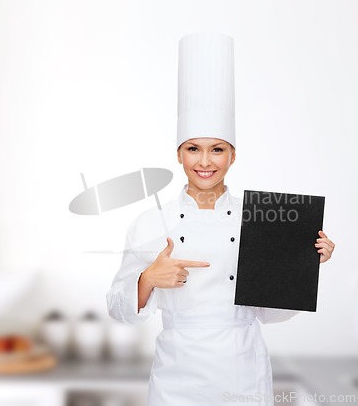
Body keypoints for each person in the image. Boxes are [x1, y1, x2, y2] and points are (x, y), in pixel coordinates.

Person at [106, 33, 335, 406]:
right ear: (179, 155)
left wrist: (306, 263)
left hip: (241, 372)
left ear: (232, 155)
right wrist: (146, 280)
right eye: (193, 149)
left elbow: (269, 314)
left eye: (217, 150)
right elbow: (119, 310)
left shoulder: (265, 217)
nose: (205, 161)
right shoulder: (151, 222)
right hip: (176, 377)